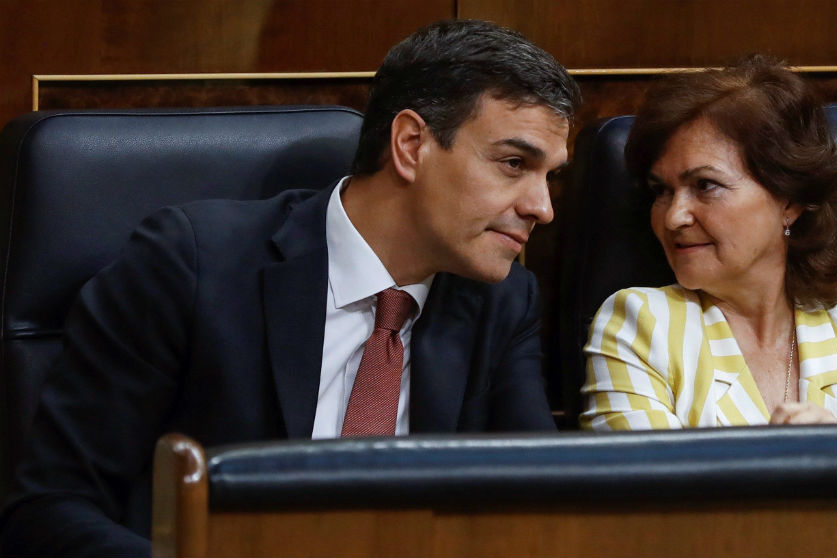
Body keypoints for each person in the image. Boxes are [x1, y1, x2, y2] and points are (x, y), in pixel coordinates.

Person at [1, 19, 581, 556]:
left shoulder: (504, 301)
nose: (543, 208)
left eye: (550, 177)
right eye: (513, 164)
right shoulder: (193, 266)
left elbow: (537, 509)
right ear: (411, 145)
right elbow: (50, 509)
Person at [581, 55, 837, 431]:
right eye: (661, 191)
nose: (673, 217)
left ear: (790, 200)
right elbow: (643, 484)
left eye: (705, 185)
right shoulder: (638, 324)